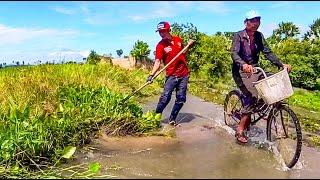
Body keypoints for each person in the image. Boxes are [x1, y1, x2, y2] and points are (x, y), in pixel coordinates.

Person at [230, 10, 292, 143]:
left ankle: (263, 115)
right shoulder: (238, 36)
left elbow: (268, 52)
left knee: (272, 83)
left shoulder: (259, 36)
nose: (256, 23)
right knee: (251, 96)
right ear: (246, 22)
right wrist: (243, 64)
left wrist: (281, 64)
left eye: (258, 20)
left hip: (255, 69)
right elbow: (234, 54)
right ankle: (240, 129)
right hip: (241, 71)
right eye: (252, 21)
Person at [146, 21, 191, 126]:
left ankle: (172, 119)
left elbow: (184, 52)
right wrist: (151, 75)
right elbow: (157, 62)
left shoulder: (178, 40)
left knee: (181, 98)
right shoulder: (160, 46)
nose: (161, 34)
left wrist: (189, 45)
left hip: (184, 74)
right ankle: (156, 118)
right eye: (160, 32)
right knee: (165, 97)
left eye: (163, 31)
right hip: (171, 75)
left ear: (169, 30)